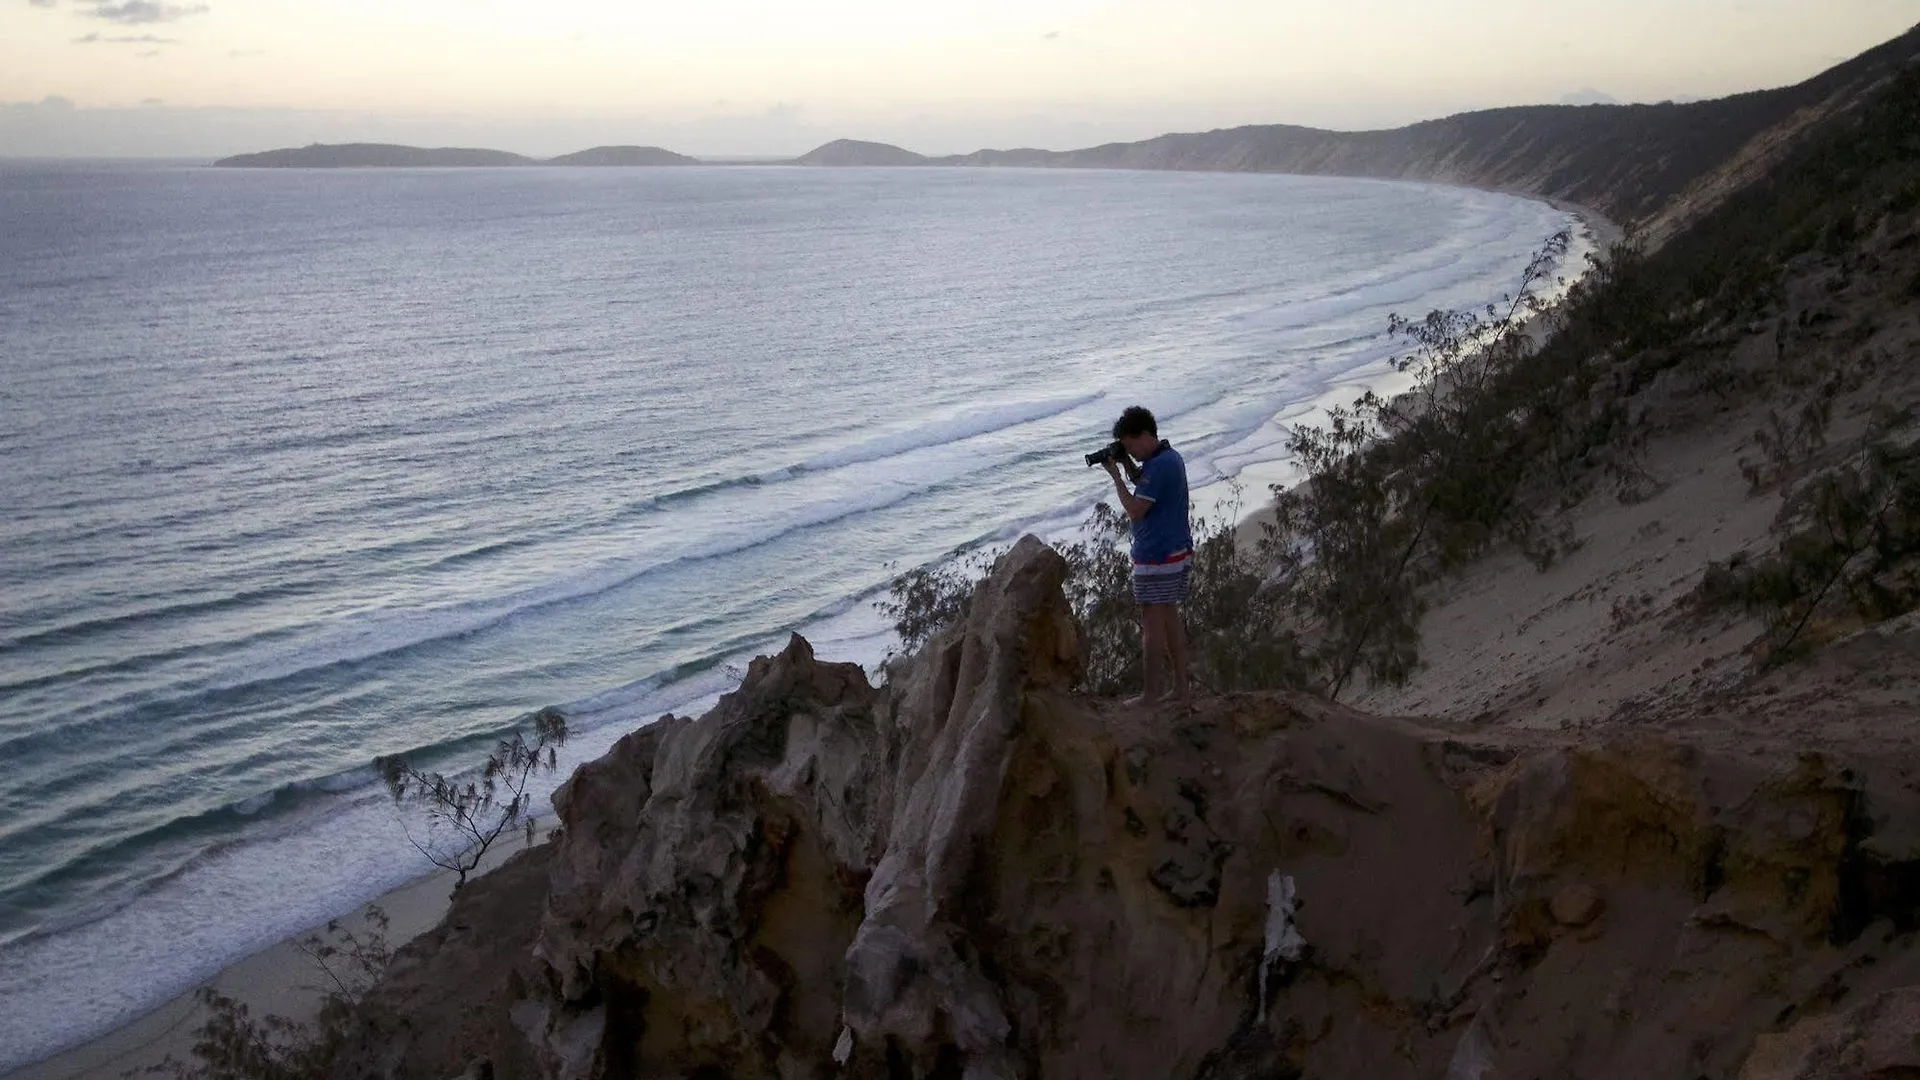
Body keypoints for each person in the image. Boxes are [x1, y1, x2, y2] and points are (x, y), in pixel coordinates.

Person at [1100, 406, 1193, 704]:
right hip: (1175, 551)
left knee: (1151, 624)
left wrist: (1115, 476)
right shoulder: (1169, 458)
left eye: (1130, 446)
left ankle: (1150, 694)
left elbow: (1135, 509)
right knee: (1169, 619)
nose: (1132, 453)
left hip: (1157, 556)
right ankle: (1181, 688)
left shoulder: (1158, 466)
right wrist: (1128, 466)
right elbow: (1145, 481)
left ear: (1143, 436)